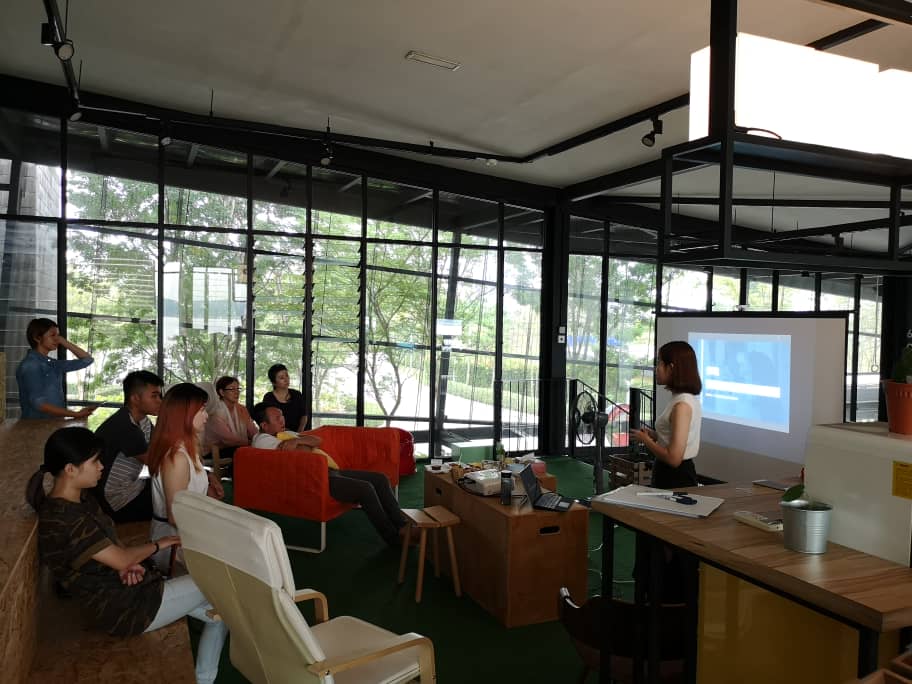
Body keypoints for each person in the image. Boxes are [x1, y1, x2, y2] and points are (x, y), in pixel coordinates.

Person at [25, 427, 227, 684]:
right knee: (218, 582)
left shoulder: (80, 501)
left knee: (223, 612)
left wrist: (125, 566)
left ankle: (203, 678)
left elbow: (109, 551)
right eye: (95, 462)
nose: (102, 467)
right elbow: (120, 556)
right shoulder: (63, 518)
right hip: (122, 609)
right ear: (70, 469)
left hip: (125, 590)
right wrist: (158, 545)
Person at [251, 402, 408, 547]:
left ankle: (403, 526)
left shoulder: (285, 434)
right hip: (314, 480)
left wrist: (297, 441)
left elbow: (317, 441)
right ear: (264, 425)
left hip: (328, 471)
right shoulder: (263, 440)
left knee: (380, 479)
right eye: (277, 418)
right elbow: (304, 451)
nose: (282, 420)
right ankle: (394, 538)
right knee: (365, 489)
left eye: (282, 416)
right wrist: (302, 443)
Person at [147, 383, 224, 568]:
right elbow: (175, 516)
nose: (206, 416)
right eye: (202, 410)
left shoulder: (184, 449)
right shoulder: (177, 457)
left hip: (185, 532)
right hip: (174, 541)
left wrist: (206, 481)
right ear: (184, 414)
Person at [93, 371, 164, 522]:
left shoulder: (143, 421)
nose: (160, 401)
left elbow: (160, 447)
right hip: (116, 500)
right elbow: (156, 463)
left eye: (160, 396)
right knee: (174, 499)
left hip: (132, 486)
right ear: (135, 398)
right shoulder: (125, 426)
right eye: (154, 396)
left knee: (172, 489)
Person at [631, 340, 703, 489]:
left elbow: (674, 458)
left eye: (659, 363)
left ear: (671, 368)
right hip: (668, 474)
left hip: (675, 478)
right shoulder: (680, 398)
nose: (656, 369)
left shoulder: (682, 405)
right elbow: (675, 439)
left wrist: (646, 440)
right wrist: (655, 435)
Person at [16, 318, 96, 419]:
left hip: (54, 424)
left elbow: (87, 360)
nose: (57, 339)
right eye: (53, 335)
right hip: (36, 425)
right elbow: (39, 404)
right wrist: (75, 414)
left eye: (58, 336)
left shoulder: (52, 363)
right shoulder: (30, 365)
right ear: (37, 338)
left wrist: (64, 341)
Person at [204, 375, 258, 460]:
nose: (236, 392)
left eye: (238, 389)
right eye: (232, 389)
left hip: (237, 447)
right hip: (215, 451)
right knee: (245, 452)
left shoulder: (242, 409)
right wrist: (252, 443)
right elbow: (229, 440)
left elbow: (253, 431)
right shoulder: (215, 411)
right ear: (222, 392)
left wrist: (260, 439)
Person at [261, 363, 309, 432]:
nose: (286, 379)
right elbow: (268, 421)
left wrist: (299, 433)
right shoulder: (269, 398)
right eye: (281, 378)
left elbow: (304, 416)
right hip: (278, 434)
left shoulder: (297, 394)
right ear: (274, 382)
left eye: (287, 375)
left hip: (299, 433)